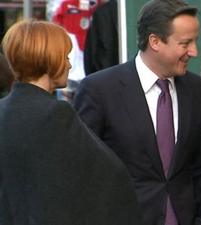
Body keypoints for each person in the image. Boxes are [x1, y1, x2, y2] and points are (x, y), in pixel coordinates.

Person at [73, 1, 201, 225]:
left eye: (195, 41)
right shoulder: (99, 90)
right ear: (155, 42)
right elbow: (82, 173)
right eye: (185, 43)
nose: (194, 51)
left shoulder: (196, 89)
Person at [0, 20, 143, 225]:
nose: (69, 64)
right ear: (49, 59)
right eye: (65, 57)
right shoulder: (55, 114)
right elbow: (111, 177)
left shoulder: (3, 111)